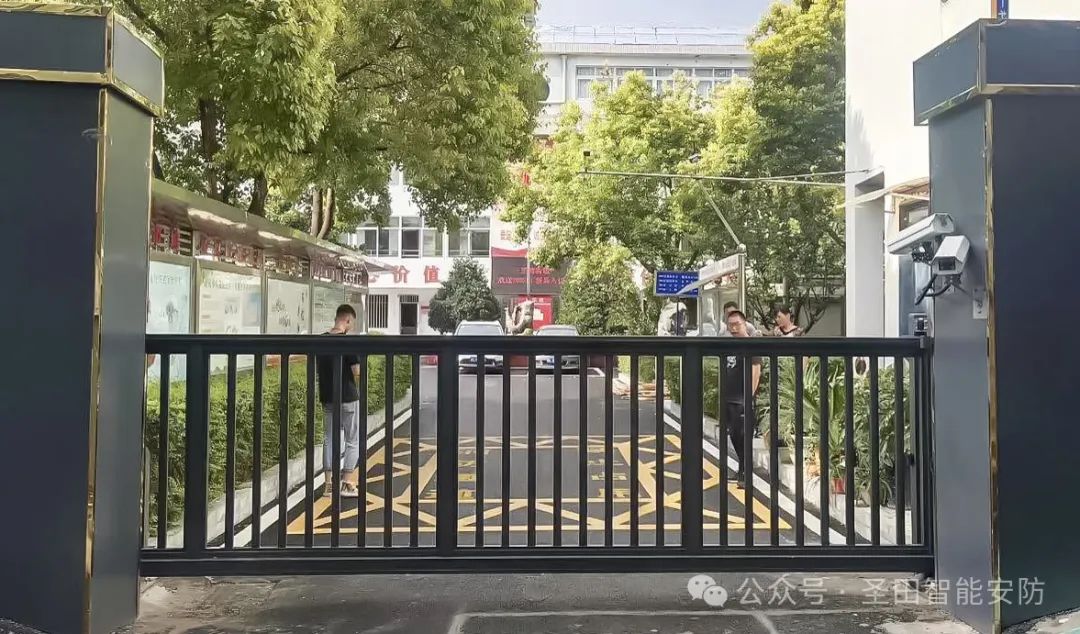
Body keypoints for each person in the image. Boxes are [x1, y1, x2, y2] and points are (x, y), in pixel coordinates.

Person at [317, 304, 362, 498]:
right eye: (352, 323)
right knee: (352, 439)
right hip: (348, 397)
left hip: (328, 397)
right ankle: (347, 483)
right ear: (348, 320)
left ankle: (328, 485)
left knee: (329, 438)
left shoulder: (321, 340)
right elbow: (356, 371)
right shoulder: (348, 342)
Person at [723, 310, 761, 488]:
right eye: (730, 325)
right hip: (729, 398)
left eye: (736, 324)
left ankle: (745, 472)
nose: (733, 328)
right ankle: (742, 468)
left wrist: (749, 396)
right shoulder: (728, 345)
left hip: (742, 399)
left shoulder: (751, 345)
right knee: (733, 435)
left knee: (743, 437)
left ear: (745, 324)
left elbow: (756, 372)